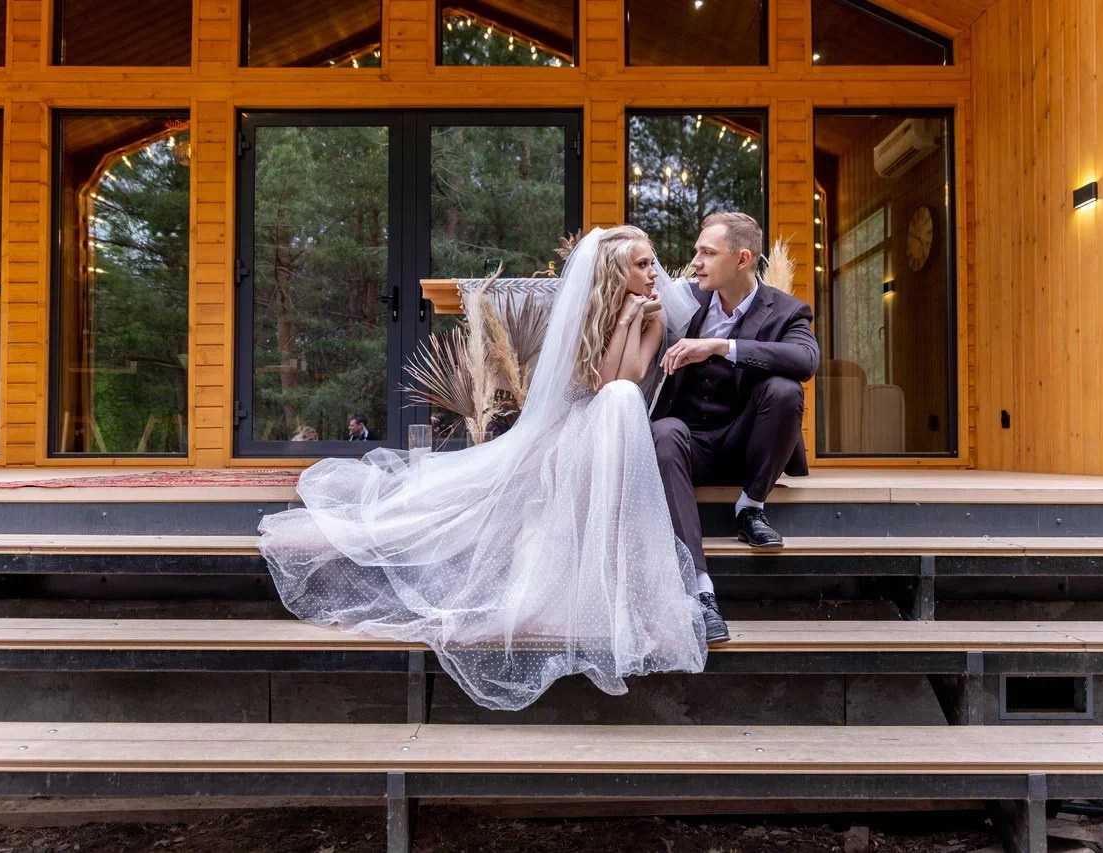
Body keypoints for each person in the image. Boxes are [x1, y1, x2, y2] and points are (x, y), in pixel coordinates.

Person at [259, 226, 707, 711]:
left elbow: (631, 378)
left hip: (614, 432)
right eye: (641, 265)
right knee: (438, 513)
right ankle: (337, 533)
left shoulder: (655, 315)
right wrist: (621, 321)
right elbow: (597, 382)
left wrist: (637, 320)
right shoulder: (590, 313)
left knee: (623, 397)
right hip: (569, 431)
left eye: (652, 262)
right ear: (615, 271)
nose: (653, 273)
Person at [651, 212, 820, 644]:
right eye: (696, 252)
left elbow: (805, 362)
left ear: (742, 258)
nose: (695, 263)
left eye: (707, 253)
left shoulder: (786, 310)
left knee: (784, 390)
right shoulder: (684, 299)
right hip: (685, 446)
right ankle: (700, 594)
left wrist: (722, 346)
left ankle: (749, 507)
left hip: (744, 445)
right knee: (665, 431)